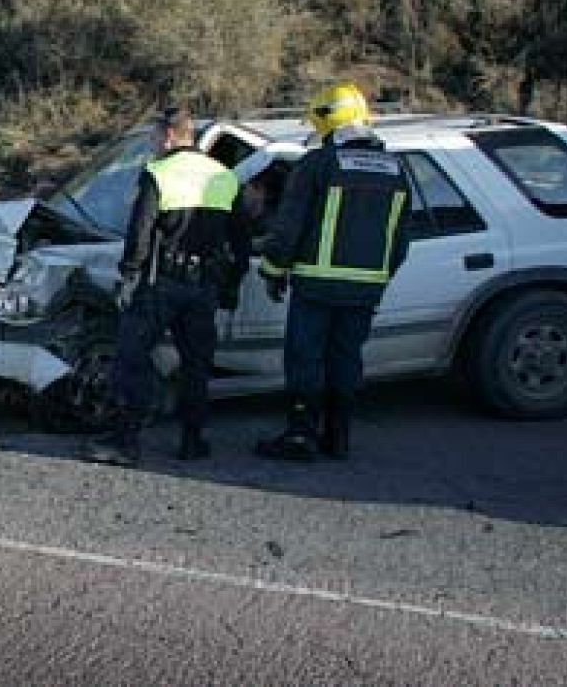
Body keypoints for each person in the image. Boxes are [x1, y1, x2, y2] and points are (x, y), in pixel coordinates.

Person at [84, 106, 251, 467]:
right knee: (196, 365)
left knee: (132, 358)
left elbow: (140, 235)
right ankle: (193, 441)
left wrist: (129, 275)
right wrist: (232, 284)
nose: (152, 144)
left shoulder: (158, 173)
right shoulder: (224, 175)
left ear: (170, 136)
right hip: (203, 285)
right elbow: (241, 240)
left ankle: (124, 441)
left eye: (154, 138)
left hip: (161, 283)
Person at [255, 83, 411, 461]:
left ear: (327, 123)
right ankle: (338, 437)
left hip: (316, 287)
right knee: (346, 359)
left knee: (305, 358)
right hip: (365, 291)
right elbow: (401, 239)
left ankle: (300, 436)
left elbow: (289, 226)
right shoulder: (395, 170)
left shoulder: (318, 165)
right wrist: (379, 278)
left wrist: (273, 270)